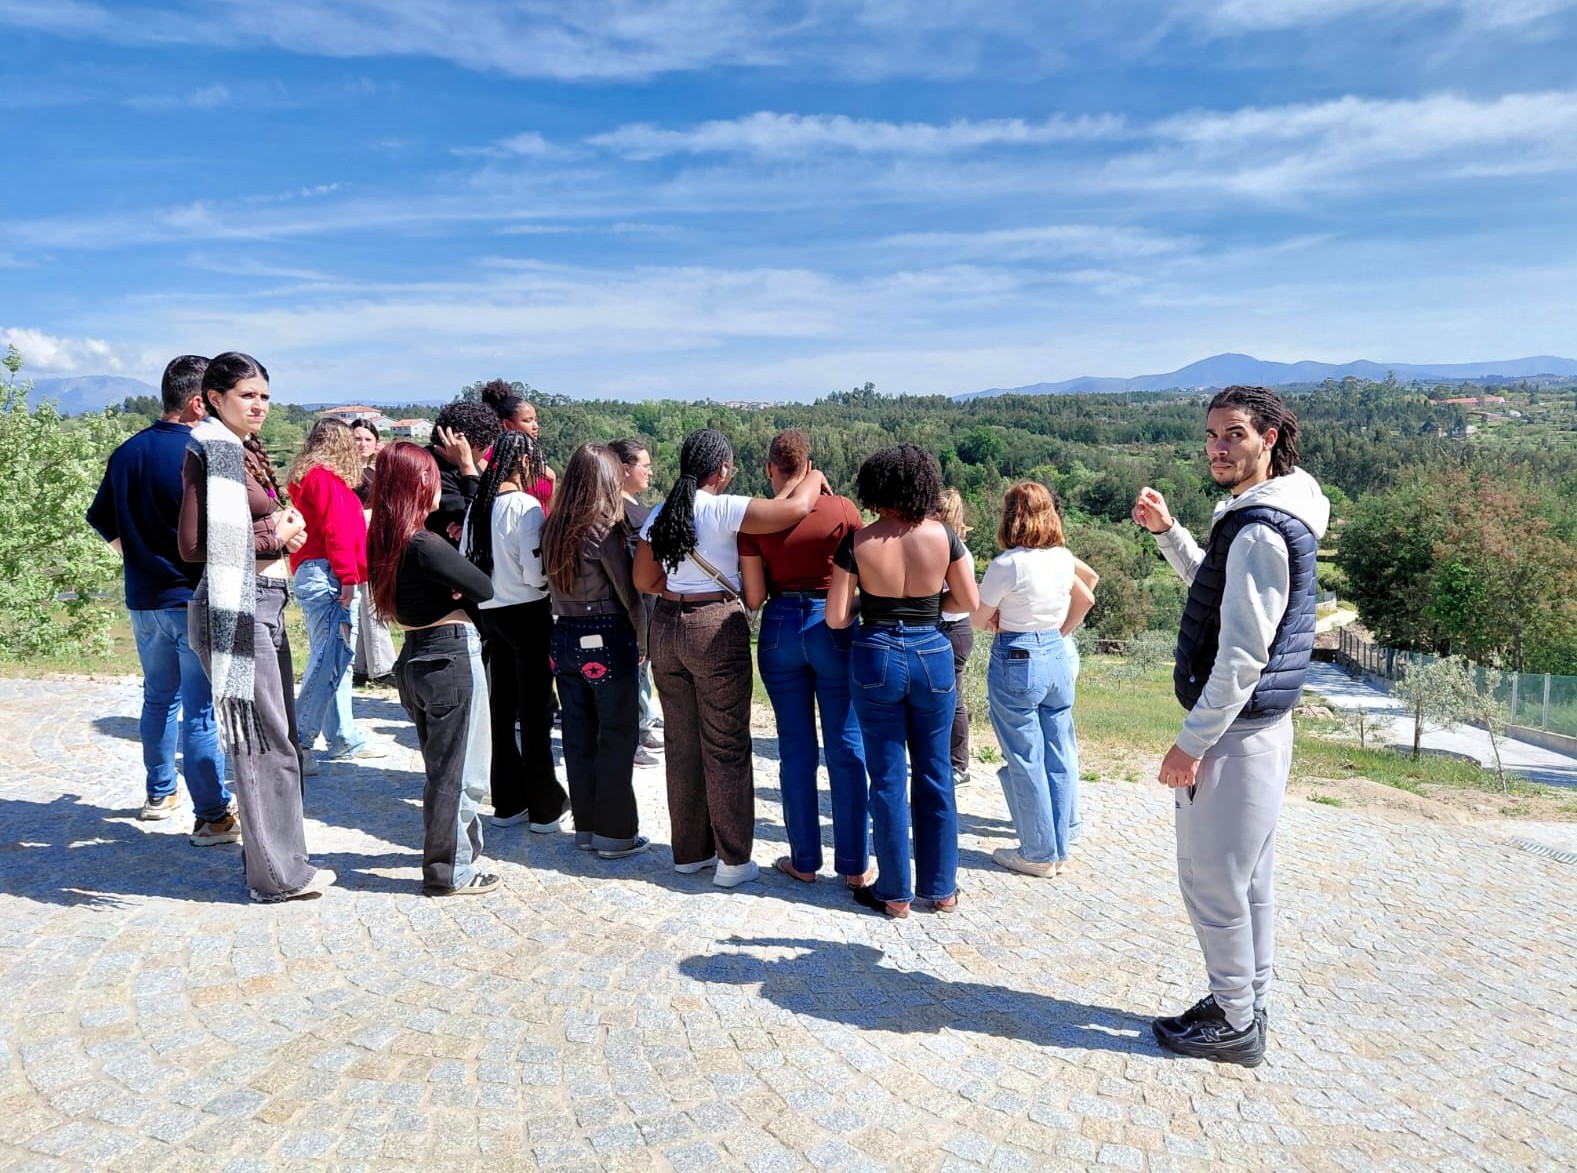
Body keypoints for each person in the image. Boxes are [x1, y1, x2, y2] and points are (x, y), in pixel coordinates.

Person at [1133, 385, 1328, 1067]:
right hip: (1263, 726)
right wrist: (1169, 534)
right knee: (1249, 880)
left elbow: (1242, 655)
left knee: (1211, 879)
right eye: (1212, 435)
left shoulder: (1258, 530)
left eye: (1234, 435)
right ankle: (1241, 1001)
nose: (1218, 448)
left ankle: (1236, 1021)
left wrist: (1191, 743)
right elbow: (1214, 589)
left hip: (1236, 732)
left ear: (1269, 438)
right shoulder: (1279, 506)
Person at [633, 428, 828, 889]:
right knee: (725, 744)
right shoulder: (724, 508)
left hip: (667, 626)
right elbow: (795, 509)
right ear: (722, 470)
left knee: (682, 743)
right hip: (713, 627)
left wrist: (677, 592)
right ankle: (733, 860)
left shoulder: (659, 514)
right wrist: (813, 475)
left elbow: (644, 579)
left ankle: (689, 854)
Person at [178, 352, 333, 902]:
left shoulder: (239, 450)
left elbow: (244, 529)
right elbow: (192, 545)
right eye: (248, 395)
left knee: (278, 740)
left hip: (261, 602)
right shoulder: (211, 449)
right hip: (234, 607)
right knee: (262, 744)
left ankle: (281, 862)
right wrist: (276, 535)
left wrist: (278, 533)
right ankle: (276, 876)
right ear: (214, 399)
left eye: (265, 395)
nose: (260, 405)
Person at [826, 444, 978, 918]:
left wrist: (872, 604)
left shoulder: (858, 542)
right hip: (932, 651)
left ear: (875, 488)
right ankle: (943, 887)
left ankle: (894, 892)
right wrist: (926, 609)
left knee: (888, 775)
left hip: (876, 654)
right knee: (935, 771)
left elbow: (836, 617)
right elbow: (967, 601)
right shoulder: (944, 536)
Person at [87, 355, 234, 841]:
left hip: (143, 598)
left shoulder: (126, 451)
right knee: (200, 710)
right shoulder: (203, 451)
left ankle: (159, 793)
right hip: (192, 596)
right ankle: (213, 814)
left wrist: (136, 556)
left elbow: (100, 517)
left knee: (158, 699)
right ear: (197, 402)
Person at [367, 441, 501, 896]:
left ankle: (458, 855)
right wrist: (457, 579)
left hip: (414, 654)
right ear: (418, 483)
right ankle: (451, 870)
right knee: (462, 773)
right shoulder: (425, 544)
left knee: (443, 769)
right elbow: (483, 586)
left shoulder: (383, 540)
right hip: (450, 654)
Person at [738, 429, 869, 888]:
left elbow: (754, 596)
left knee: (795, 749)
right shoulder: (842, 509)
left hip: (781, 630)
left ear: (770, 468)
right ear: (809, 466)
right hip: (833, 627)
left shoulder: (755, 519)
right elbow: (866, 571)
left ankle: (804, 861)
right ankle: (855, 866)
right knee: (846, 746)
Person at [971, 482, 1095, 879]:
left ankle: (1039, 852)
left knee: (1025, 757)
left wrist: (997, 617)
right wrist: (1060, 631)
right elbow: (1086, 598)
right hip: (1055, 651)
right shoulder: (1062, 558)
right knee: (1058, 749)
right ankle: (1062, 837)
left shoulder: (1007, 564)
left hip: (1017, 655)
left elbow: (977, 618)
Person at [543, 443, 648, 858]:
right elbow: (628, 592)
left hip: (564, 634)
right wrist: (642, 637)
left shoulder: (552, 526)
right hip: (606, 634)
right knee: (618, 735)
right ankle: (615, 833)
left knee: (578, 735)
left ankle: (586, 827)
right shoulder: (604, 530)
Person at [463, 431, 568, 831]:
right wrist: (545, 587)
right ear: (525, 463)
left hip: (490, 612)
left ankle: (507, 802)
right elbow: (534, 568)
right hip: (527, 612)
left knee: (502, 709)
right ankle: (545, 806)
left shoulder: (478, 506)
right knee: (536, 712)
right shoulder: (525, 506)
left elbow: (466, 559)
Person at [287, 418, 384, 775]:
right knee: (328, 660)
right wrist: (348, 578)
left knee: (333, 659)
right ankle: (298, 742)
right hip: (329, 574)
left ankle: (342, 737)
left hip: (318, 572)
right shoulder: (327, 480)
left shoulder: (309, 478)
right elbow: (338, 532)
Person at [611, 437, 662, 767]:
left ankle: (642, 725)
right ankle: (629, 738)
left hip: (646, 604)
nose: (650, 472)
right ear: (625, 469)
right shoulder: (620, 510)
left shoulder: (632, 505)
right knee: (630, 672)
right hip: (634, 605)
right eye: (645, 466)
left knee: (641, 671)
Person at [350, 420, 398, 688]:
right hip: (359, 541)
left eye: (368, 439)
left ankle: (362, 665)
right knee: (371, 602)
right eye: (357, 438)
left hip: (376, 540)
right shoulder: (347, 473)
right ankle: (382, 666)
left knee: (368, 602)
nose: (362, 444)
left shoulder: (374, 472)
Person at [935, 489, 975, 789]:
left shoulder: (952, 551)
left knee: (953, 698)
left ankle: (958, 763)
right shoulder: (959, 549)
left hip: (951, 627)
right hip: (956, 628)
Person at [425, 399, 499, 544]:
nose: (488, 451)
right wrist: (466, 465)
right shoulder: (430, 471)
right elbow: (478, 519)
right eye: (487, 446)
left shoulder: (465, 467)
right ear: (467, 445)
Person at [480, 379, 555, 510]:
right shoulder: (488, 462)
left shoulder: (538, 461)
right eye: (527, 421)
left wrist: (552, 478)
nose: (535, 426)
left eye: (535, 420)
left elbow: (551, 508)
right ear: (507, 425)